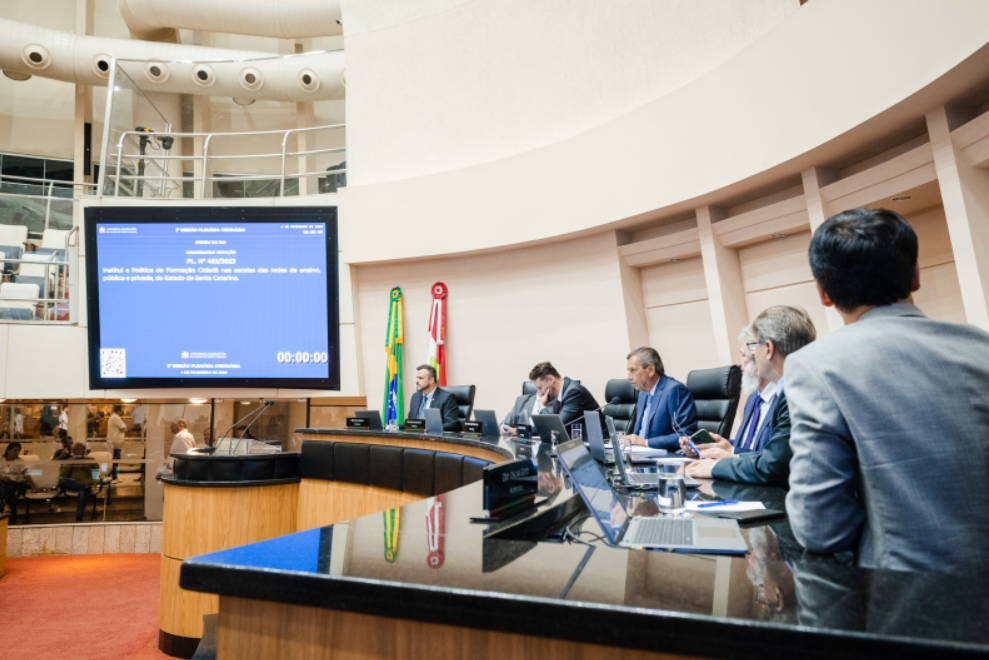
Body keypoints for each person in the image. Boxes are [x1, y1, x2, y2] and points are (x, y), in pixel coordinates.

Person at [785, 207, 989, 574]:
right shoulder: (981, 346)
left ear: (824, 292)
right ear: (915, 276)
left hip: (905, 601)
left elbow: (821, 528)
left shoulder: (817, 365)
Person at [684, 305, 815, 485]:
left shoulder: (795, 394)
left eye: (753, 346)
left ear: (768, 348)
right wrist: (729, 449)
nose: (751, 354)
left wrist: (717, 466)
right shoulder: (804, 385)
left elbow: (773, 465)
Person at [624, 347, 697, 451]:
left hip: (663, 458)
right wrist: (626, 440)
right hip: (640, 455)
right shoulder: (642, 394)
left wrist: (645, 443)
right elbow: (639, 433)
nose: (628, 377)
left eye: (633, 370)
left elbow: (686, 434)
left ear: (651, 370)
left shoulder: (674, 390)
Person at [501, 362, 600, 438]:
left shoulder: (573, 392)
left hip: (598, 446)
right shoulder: (560, 395)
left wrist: (542, 406)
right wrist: (517, 431)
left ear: (550, 379)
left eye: (540, 388)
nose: (539, 393)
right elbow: (547, 430)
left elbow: (555, 427)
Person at [407, 364, 460, 432]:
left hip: (434, 439)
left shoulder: (447, 398)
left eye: (420, 378)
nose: (416, 381)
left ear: (431, 380)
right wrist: (396, 426)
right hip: (415, 438)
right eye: (416, 378)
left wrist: (428, 428)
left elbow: (451, 425)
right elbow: (411, 422)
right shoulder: (416, 396)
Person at [56, 443, 97, 522]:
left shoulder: (91, 461)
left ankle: (79, 516)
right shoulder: (70, 461)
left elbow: (96, 477)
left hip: (86, 482)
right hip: (72, 483)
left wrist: (86, 468)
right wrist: (69, 467)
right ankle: (84, 487)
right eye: (73, 450)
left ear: (83, 451)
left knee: (82, 492)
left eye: (76, 450)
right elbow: (63, 475)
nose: (74, 452)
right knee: (61, 481)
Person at [0, 442, 34, 523]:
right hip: (1, 482)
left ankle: (5, 507)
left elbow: (26, 475)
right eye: (15, 450)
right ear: (8, 450)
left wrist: (33, 487)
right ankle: (8, 514)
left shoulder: (20, 462)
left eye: (18, 451)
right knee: (3, 486)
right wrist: (2, 477)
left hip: (14, 483)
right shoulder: (1, 460)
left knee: (7, 488)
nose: (17, 453)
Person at [107, 404, 127, 478]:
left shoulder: (113, 416)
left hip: (114, 441)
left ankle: (113, 474)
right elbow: (123, 428)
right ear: (119, 409)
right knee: (116, 458)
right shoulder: (116, 418)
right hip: (116, 442)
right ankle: (114, 475)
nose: (123, 410)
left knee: (114, 458)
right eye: (122, 408)